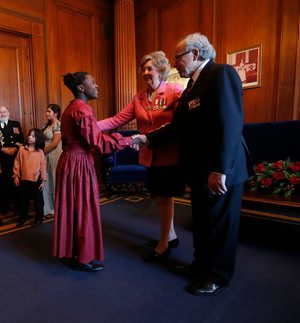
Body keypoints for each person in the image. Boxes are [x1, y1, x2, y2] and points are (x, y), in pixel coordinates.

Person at [133, 33, 250, 296]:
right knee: (202, 221)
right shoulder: (191, 87)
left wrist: (220, 169)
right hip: (198, 171)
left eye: (178, 57)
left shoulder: (221, 74)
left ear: (195, 55)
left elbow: (231, 123)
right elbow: (177, 126)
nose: (175, 64)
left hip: (221, 169)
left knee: (220, 223)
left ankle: (218, 275)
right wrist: (147, 138)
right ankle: (201, 264)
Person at [97, 51, 184, 262]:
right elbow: (117, 119)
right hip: (149, 156)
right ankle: (170, 236)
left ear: (161, 69)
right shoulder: (139, 97)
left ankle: (164, 243)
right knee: (159, 197)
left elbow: (182, 122)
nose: (145, 72)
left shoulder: (175, 90)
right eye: (143, 69)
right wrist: (89, 126)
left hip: (169, 154)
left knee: (164, 197)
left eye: (149, 68)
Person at [53, 72, 133, 272]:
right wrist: (127, 140)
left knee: (73, 209)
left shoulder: (72, 107)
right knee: (84, 209)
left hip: (69, 161)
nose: (97, 86)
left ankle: (74, 252)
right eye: (92, 83)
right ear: (81, 87)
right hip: (79, 163)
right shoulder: (82, 109)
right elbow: (97, 142)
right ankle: (83, 258)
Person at [0, 106, 24, 214]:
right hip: (0, 157)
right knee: (2, 182)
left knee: (15, 180)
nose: (2, 114)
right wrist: (2, 149)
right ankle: (3, 206)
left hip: (15, 157)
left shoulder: (15, 124)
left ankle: (17, 206)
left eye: (4, 112)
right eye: (0, 112)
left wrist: (15, 149)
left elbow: (20, 139)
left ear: (8, 113)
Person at [13, 128, 47, 227]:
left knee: (38, 201)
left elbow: (43, 166)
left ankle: (39, 218)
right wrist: (16, 176)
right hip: (23, 179)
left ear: (38, 139)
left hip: (36, 180)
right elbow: (17, 163)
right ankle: (23, 218)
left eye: (33, 136)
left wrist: (43, 180)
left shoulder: (40, 152)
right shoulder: (22, 149)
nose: (29, 137)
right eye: (29, 135)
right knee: (23, 201)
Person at [42, 104, 63, 216]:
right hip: (46, 155)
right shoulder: (47, 125)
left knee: (55, 179)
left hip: (55, 154)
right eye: (46, 111)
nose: (47, 113)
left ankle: (58, 207)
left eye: (49, 112)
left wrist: (42, 152)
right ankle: (48, 207)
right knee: (47, 179)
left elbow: (54, 143)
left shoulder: (58, 125)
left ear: (56, 113)